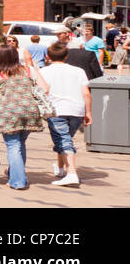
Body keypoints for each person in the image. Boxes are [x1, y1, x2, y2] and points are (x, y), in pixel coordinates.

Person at [0, 45, 49, 191]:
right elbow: (45, 88)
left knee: (13, 145)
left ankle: (18, 181)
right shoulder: (28, 70)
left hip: (9, 113)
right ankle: (14, 172)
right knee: (20, 143)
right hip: (30, 111)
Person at [39, 42, 91, 188]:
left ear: (47, 57)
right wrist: (88, 112)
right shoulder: (79, 71)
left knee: (63, 140)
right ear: (66, 56)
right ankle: (61, 169)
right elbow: (86, 93)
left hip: (56, 109)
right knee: (65, 139)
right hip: (76, 109)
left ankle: (72, 173)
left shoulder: (43, 71)